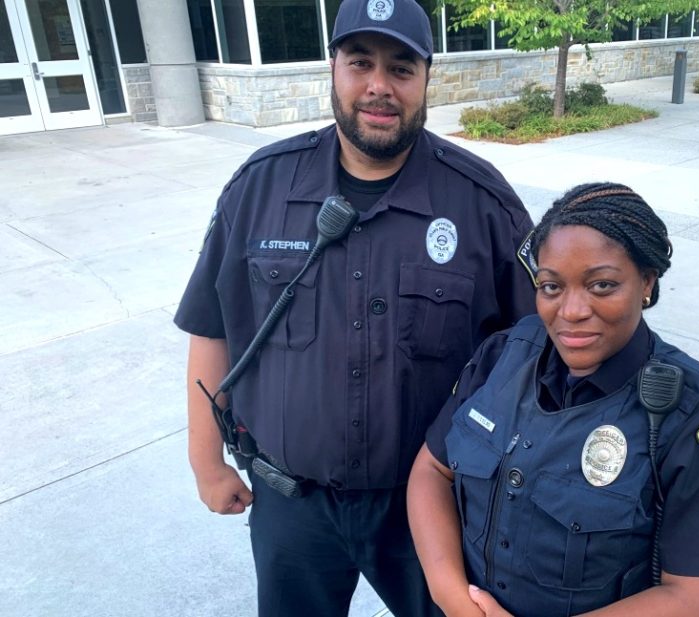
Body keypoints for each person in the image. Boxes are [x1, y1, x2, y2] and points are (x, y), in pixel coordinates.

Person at [173, 0, 537, 614]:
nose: (378, 86)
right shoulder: (260, 187)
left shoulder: (482, 205)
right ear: (332, 69)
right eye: (360, 62)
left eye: (400, 68)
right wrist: (206, 459)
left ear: (426, 79)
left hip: (432, 506)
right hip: (293, 504)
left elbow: (532, 353)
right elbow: (213, 327)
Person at [408, 182, 699, 617]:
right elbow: (431, 470)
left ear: (646, 281)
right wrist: (451, 595)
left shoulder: (696, 417)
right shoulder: (504, 354)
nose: (571, 310)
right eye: (551, 287)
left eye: (602, 285)